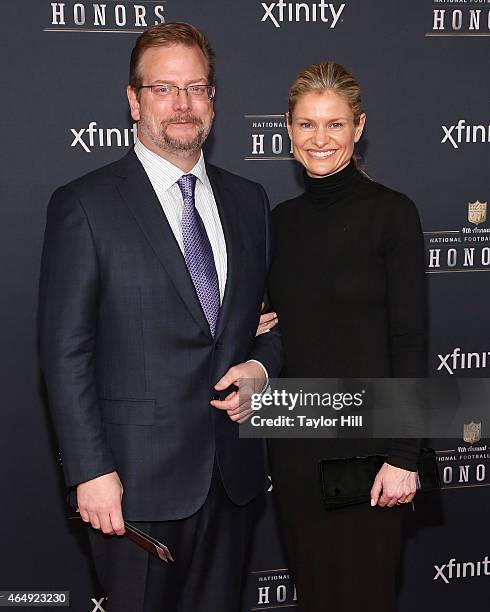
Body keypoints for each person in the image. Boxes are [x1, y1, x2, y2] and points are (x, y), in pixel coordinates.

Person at [38, 22, 281, 612]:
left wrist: (261, 371)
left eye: (196, 88)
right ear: (133, 99)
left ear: (213, 100)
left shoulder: (249, 200)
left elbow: (271, 320)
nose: (182, 105)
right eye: (164, 89)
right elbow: (65, 351)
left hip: (233, 478)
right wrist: (91, 470)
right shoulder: (85, 204)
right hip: (133, 485)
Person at [267, 62, 426, 612]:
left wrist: (404, 455)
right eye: (307, 124)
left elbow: (410, 338)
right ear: (288, 130)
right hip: (296, 442)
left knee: (365, 597)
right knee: (316, 596)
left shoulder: (392, 214)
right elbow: (280, 319)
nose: (319, 139)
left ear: (358, 128)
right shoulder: (280, 222)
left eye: (334, 125)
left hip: (370, 450)